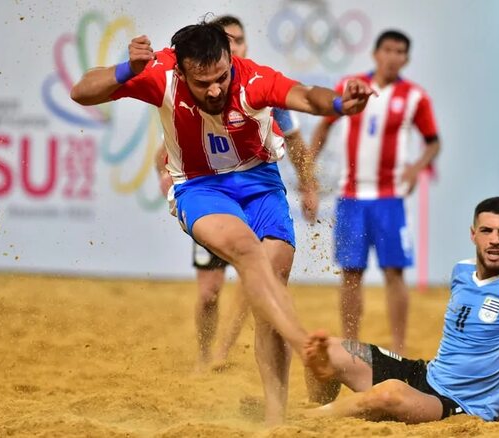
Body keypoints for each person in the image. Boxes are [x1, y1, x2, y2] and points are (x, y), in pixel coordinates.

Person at [70, 20, 374, 424]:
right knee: (248, 252)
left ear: (231, 60)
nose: (215, 89)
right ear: (180, 71)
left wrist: (340, 103)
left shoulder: (253, 80)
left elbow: (305, 96)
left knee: (269, 294)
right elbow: (81, 91)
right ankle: (304, 345)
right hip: (201, 187)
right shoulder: (160, 74)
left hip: (262, 185)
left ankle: (275, 418)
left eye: (221, 77)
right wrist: (127, 68)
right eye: (203, 83)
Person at [302, 196, 499, 422]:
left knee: (389, 394)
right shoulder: (461, 271)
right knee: (325, 350)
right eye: (487, 230)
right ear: (473, 234)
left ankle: (310, 420)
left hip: (462, 403)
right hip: (426, 375)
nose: (495, 240)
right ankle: (317, 410)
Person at [154, 15, 317, 370]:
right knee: (209, 292)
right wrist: (166, 180)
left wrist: (308, 185)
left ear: (235, 53)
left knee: (255, 276)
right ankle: (204, 355)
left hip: (252, 190)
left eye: (240, 40)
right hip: (208, 195)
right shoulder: (191, 96)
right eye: (231, 39)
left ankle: (224, 352)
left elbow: (295, 142)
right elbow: (164, 153)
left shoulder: (259, 91)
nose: (237, 45)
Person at [310, 30, 441, 352]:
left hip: (390, 198)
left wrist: (416, 166)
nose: (393, 56)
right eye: (388, 49)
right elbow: (324, 124)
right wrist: (307, 173)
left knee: (394, 272)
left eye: (400, 51)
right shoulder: (351, 86)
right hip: (351, 197)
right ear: (375, 53)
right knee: (351, 273)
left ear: (406, 59)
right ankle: (351, 345)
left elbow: (433, 141)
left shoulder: (415, 97)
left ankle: (399, 346)